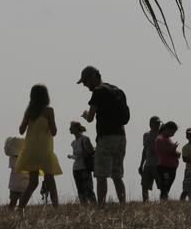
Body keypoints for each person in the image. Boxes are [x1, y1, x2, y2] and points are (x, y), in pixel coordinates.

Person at [78, 65, 129, 205]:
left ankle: (101, 207)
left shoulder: (98, 91)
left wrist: (85, 115)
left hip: (106, 137)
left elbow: (90, 118)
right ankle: (123, 205)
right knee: (117, 175)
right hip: (121, 136)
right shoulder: (116, 90)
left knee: (101, 174)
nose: (85, 85)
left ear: (94, 76)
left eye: (85, 81)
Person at [11, 84, 63, 209]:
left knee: (33, 182)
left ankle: (20, 208)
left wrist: (28, 121)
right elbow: (54, 132)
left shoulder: (29, 111)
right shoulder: (49, 110)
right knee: (50, 180)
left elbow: (21, 130)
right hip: (44, 149)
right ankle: (56, 208)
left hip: (30, 150)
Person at [68, 121, 97, 204]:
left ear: (76, 128)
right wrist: (71, 156)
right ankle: (84, 208)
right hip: (76, 169)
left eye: (71, 127)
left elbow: (91, 152)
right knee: (80, 191)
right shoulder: (73, 143)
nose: (69, 129)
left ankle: (95, 206)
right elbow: (76, 156)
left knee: (89, 190)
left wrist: (84, 154)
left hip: (85, 168)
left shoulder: (85, 139)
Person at [154, 121, 181, 200]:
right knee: (165, 186)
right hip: (164, 167)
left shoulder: (168, 139)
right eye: (173, 132)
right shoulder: (160, 139)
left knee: (167, 187)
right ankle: (163, 200)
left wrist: (176, 152)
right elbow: (167, 150)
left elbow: (174, 152)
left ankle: (164, 200)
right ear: (167, 129)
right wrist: (174, 150)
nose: (173, 134)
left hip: (172, 167)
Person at [139, 116, 161, 202]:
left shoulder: (161, 135)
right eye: (156, 123)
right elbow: (144, 150)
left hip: (159, 165)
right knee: (144, 186)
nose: (158, 125)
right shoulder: (146, 135)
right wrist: (141, 165)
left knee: (162, 186)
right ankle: (145, 203)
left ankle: (164, 202)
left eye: (159, 123)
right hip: (148, 165)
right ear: (151, 124)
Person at [4, 136, 29, 206]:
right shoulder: (26, 157)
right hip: (25, 182)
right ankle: (21, 212)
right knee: (22, 203)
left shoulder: (12, 157)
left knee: (13, 201)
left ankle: (10, 212)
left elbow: (7, 151)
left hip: (14, 183)